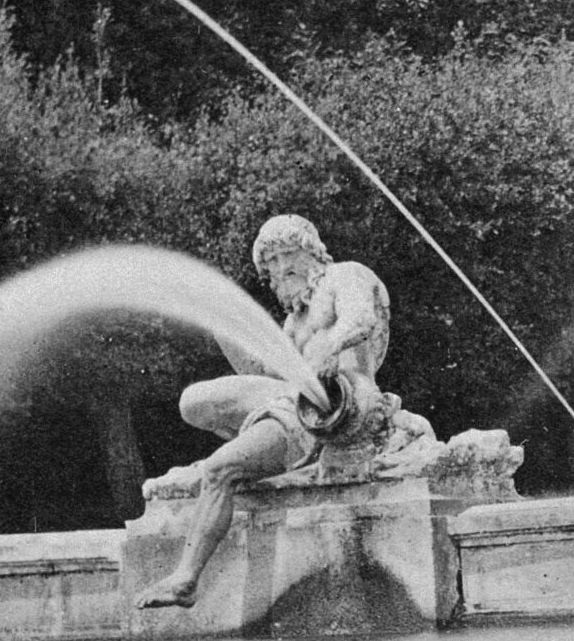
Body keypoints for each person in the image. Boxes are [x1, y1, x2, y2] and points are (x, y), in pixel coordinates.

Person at [136, 215, 401, 606]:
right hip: (299, 405)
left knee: (219, 469)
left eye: (286, 255)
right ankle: (256, 444)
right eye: (271, 264)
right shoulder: (294, 322)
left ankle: (185, 579)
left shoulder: (345, 275)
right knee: (193, 401)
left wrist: (331, 349)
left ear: (313, 252)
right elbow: (263, 375)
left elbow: (361, 318)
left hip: (341, 407)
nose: (280, 268)